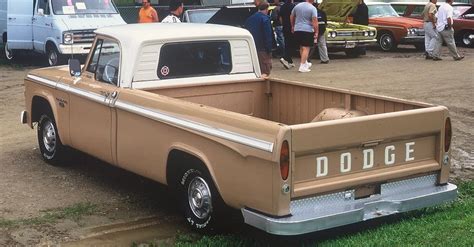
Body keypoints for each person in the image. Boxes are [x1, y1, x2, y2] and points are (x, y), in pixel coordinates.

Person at [245, 1, 273, 78]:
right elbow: (267, 35)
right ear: (267, 9)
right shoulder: (265, 19)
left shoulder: (249, 19)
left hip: (252, 45)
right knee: (265, 70)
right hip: (263, 47)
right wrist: (269, 48)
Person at [291, 0, 318, 73]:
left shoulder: (297, 6)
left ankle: (305, 62)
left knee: (301, 47)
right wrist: (316, 31)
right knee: (306, 48)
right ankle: (302, 65)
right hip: (307, 29)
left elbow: (292, 16)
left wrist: (293, 26)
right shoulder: (312, 8)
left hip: (297, 29)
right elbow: (315, 20)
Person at [279, 0, 296, 69]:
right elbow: (293, 17)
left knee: (287, 43)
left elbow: (280, 17)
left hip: (285, 27)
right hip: (291, 27)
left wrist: (283, 24)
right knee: (292, 44)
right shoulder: (293, 6)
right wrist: (293, 26)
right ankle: (285, 58)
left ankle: (290, 61)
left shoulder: (282, 7)